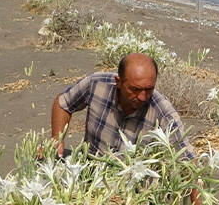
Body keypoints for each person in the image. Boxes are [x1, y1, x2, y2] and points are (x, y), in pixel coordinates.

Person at [51, 52, 195, 159]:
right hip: (91, 170)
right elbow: (64, 103)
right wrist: (57, 140)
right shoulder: (96, 84)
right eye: (135, 89)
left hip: (132, 188)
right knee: (42, 159)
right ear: (118, 82)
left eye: (149, 89)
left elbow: (188, 159)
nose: (143, 97)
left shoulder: (163, 111)